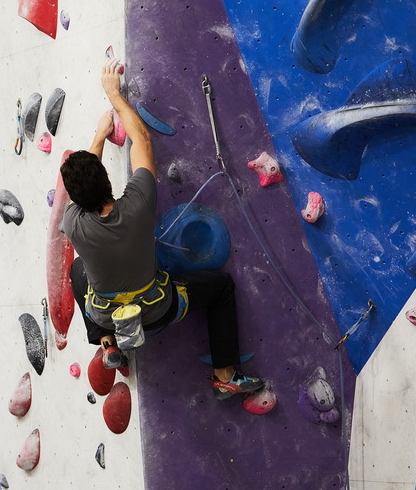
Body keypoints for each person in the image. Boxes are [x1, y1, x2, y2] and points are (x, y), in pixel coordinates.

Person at [59, 56, 264, 399]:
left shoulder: (72, 223)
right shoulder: (138, 203)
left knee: (78, 270)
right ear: (107, 179)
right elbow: (141, 140)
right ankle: (225, 375)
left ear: (77, 201)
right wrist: (114, 97)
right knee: (221, 287)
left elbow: (80, 191)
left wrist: (97, 137)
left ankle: (108, 343)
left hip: (108, 315)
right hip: (158, 310)